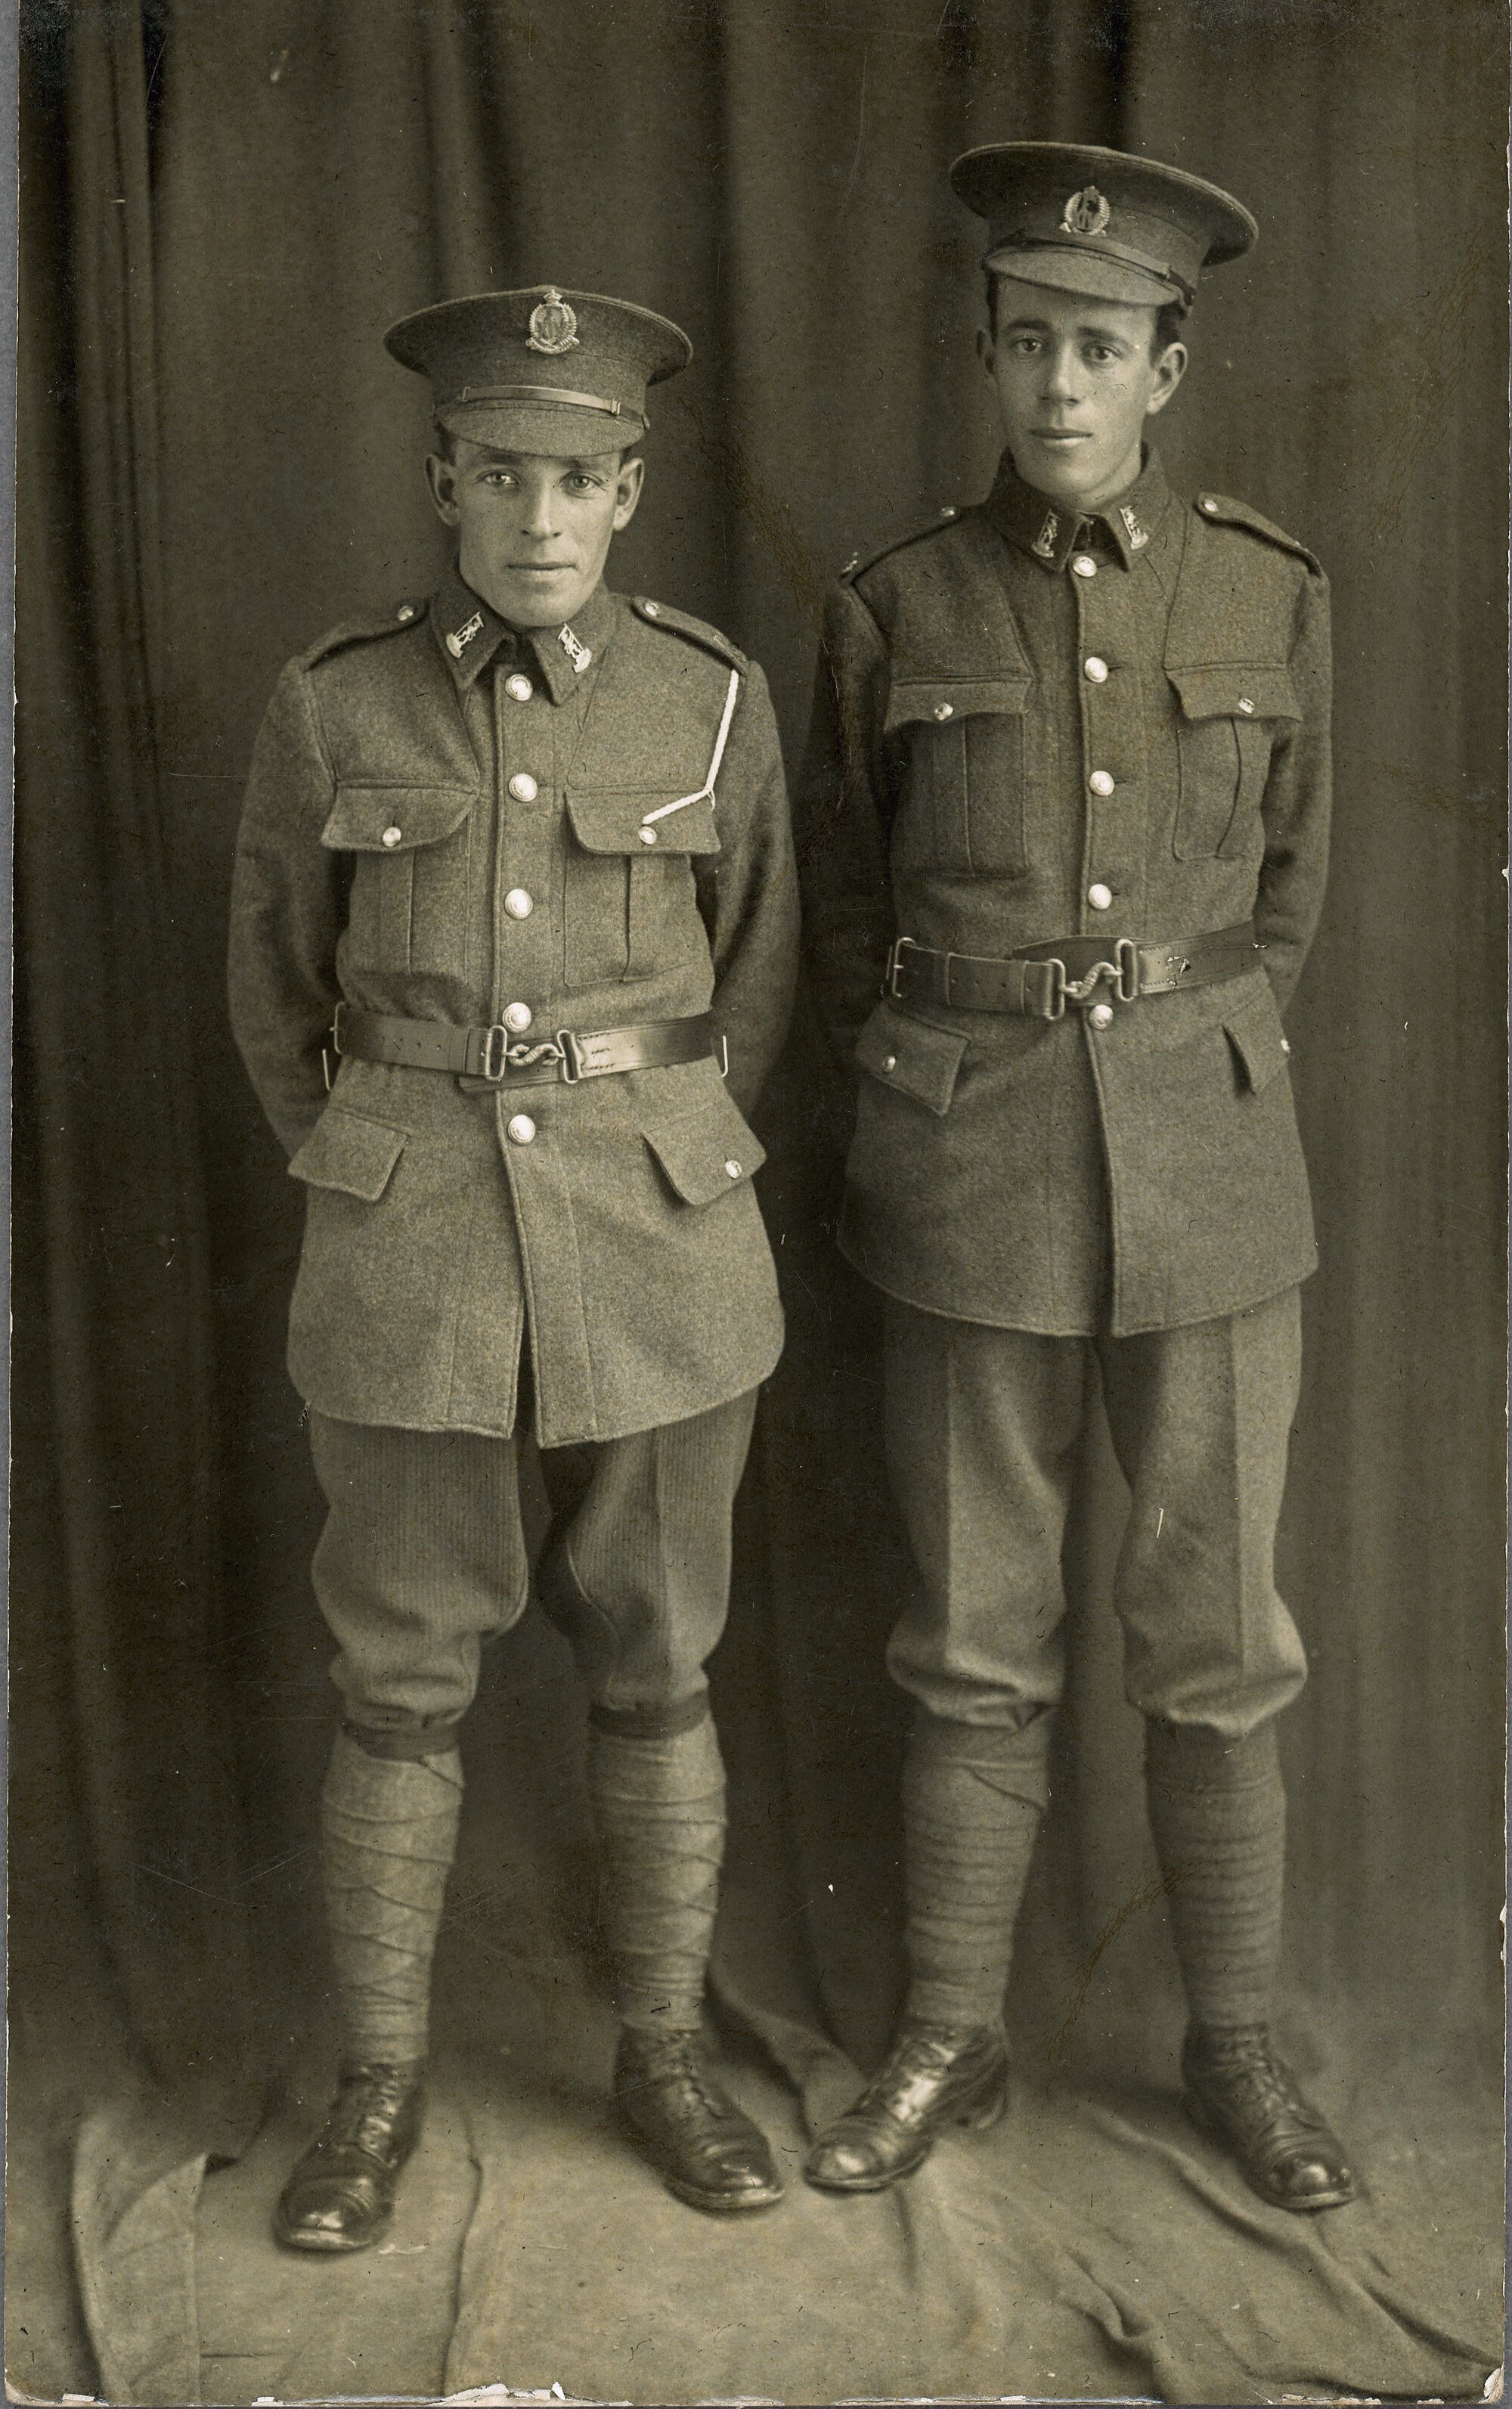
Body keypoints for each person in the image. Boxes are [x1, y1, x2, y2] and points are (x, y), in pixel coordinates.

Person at [797, 144, 1357, 2214]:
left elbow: (1287, 890)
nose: (1059, 384)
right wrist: (935, 1061)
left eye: (1100, 345)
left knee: (1219, 1639)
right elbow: (845, 903)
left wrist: (1195, 1045)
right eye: (1028, 341)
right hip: (969, 1170)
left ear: (1169, 363)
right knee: (971, 1638)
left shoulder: (1269, 590)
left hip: (1211, 1181)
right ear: (989, 352)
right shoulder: (895, 604)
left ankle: (1238, 2051)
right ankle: (949, 2034)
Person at [229, 284, 798, 2249]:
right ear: (442, 478)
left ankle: (664, 2057)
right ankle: (377, 2089)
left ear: (629, 489)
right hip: (415, 1249)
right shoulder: (336, 702)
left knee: (660, 1660)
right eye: (502, 474)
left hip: (661, 1244)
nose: (539, 517)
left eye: (578, 477)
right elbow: (272, 991)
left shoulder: (715, 699)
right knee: (397, 1678)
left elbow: (764, 985)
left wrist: (669, 1152)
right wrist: (378, 1161)